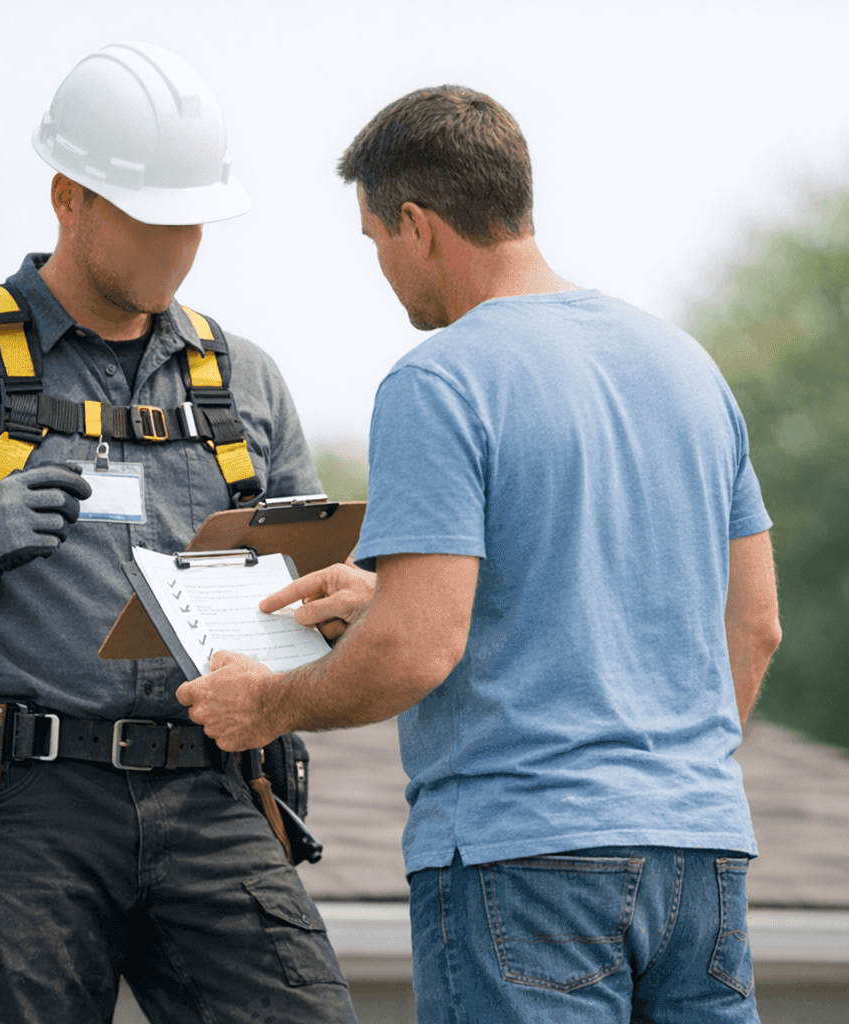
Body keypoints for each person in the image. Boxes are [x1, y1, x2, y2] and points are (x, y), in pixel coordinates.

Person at [177, 85, 782, 1024]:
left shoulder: (442, 378)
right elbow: (756, 627)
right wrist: (659, 786)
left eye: (375, 239)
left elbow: (420, 653)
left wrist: (265, 705)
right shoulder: (688, 369)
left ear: (417, 224)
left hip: (526, 865)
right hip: (701, 858)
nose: (380, 264)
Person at [0, 43, 357, 1024]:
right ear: (69, 196)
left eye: (191, 218)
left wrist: (338, 608)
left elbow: (309, 595)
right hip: (20, 803)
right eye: (150, 217)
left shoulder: (244, 382)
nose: (175, 244)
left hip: (209, 789)